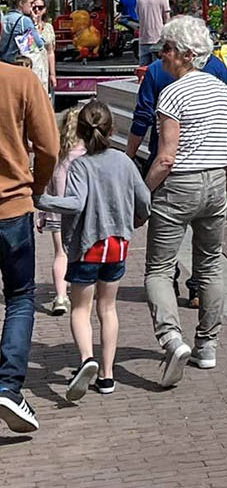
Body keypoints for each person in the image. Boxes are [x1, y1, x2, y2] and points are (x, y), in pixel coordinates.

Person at [143, 16, 227, 387]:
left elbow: (166, 156)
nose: (162, 58)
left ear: (186, 55)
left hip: (179, 185)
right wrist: (225, 166)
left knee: (159, 269)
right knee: (209, 265)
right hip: (213, 184)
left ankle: (171, 337)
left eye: (168, 51)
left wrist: (144, 191)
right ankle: (207, 345)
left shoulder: (172, 93)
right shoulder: (220, 88)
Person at [35, 101, 150, 401]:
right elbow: (144, 199)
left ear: (81, 132)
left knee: (81, 309)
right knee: (108, 309)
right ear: (113, 129)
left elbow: (76, 203)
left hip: (87, 245)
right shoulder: (125, 162)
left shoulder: (81, 165)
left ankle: (87, 359)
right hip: (117, 245)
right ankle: (107, 375)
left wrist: (40, 201)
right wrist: (137, 217)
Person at [0, 57, 58, 433]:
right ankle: (8, 386)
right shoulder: (20, 80)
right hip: (12, 207)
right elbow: (49, 147)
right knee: (20, 297)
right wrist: (36, 187)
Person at [39, 109, 83, 317]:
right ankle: (78, 292)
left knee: (60, 254)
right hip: (80, 214)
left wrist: (42, 214)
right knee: (80, 253)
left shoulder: (58, 155)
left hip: (56, 213)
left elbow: (47, 184)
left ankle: (59, 296)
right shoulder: (86, 155)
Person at [136, 0, 171, 67]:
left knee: (144, 68)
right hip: (158, 38)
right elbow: (167, 18)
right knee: (158, 67)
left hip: (144, 38)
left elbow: (139, 16)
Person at [1, 0, 39, 65]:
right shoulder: (24, 21)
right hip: (16, 63)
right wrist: (35, 24)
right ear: (21, 3)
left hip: (2, 63)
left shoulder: (3, 19)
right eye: (31, 3)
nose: (33, 6)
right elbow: (39, 44)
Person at [27, 0, 55, 96]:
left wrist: (52, 74)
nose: (37, 10)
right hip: (30, 68)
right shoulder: (26, 25)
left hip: (44, 69)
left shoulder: (48, 27)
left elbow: (50, 52)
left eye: (40, 7)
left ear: (45, 9)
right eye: (34, 7)